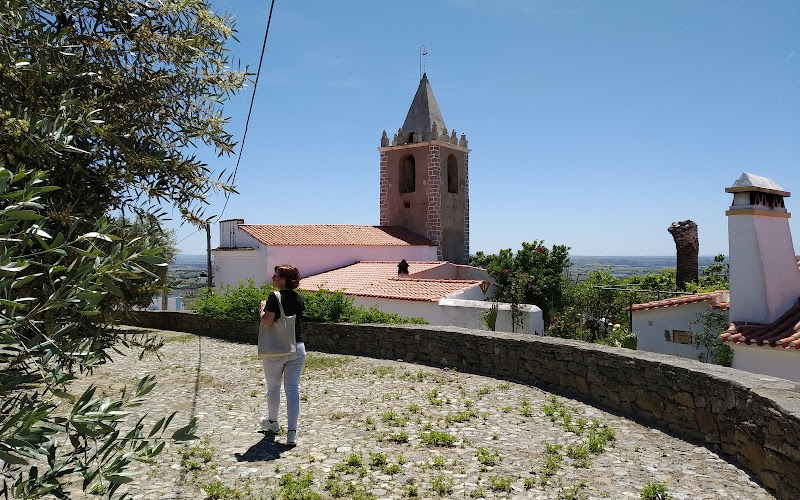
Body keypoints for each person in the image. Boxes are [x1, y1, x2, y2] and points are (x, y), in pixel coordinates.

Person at [258, 264, 306, 446]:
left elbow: (267, 322)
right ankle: (292, 433)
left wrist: (262, 309)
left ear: (283, 279)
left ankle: (272, 423)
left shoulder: (274, 297)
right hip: (298, 348)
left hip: (277, 350)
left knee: (273, 388)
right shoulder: (299, 298)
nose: (272, 278)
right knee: (292, 389)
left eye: (276, 276)